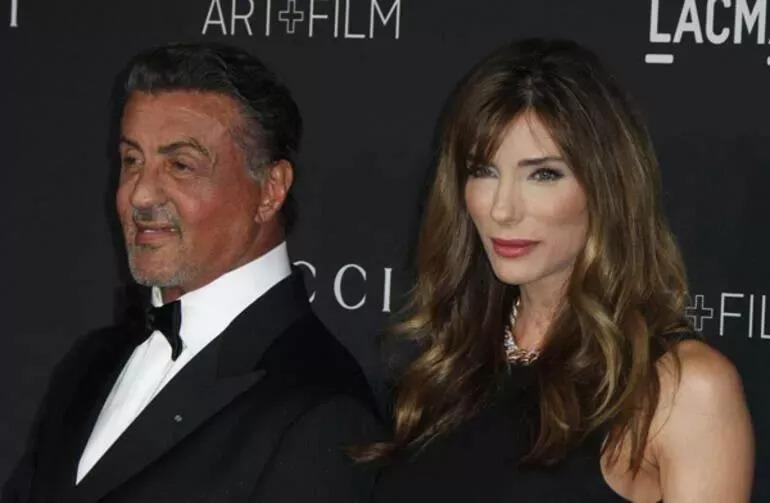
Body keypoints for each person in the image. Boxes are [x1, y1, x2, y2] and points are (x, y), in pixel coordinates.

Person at [367, 39, 754, 502]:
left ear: (607, 187)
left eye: (543, 174)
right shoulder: (451, 363)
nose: (502, 209)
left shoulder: (682, 388)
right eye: (483, 171)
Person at [2, 43, 382, 503]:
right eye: (132, 161)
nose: (140, 195)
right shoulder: (89, 365)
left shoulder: (321, 412)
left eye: (180, 165)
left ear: (270, 190)